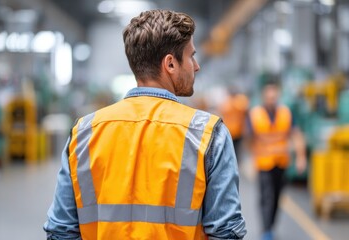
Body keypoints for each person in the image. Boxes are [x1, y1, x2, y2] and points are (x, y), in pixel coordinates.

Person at [44, 10, 246, 240]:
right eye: (191, 56)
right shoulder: (208, 134)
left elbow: (61, 230)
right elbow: (226, 233)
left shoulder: (84, 132)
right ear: (170, 64)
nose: (196, 66)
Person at [246, 80, 306, 240]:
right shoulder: (255, 114)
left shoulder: (285, 113)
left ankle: (270, 225)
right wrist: (251, 161)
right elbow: (250, 139)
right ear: (264, 98)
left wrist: (301, 157)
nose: (272, 100)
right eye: (269, 97)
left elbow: (296, 134)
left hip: (281, 162)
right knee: (267, 196)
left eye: (274, 97)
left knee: (278, 196)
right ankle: (266, 230)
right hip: (264, 163)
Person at [218, 88, 249, 162]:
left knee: (236, 151)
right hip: (232, 131)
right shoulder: (233, 102)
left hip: (236, 131)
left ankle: (235, 163)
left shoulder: (232, 102)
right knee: (234, 151)